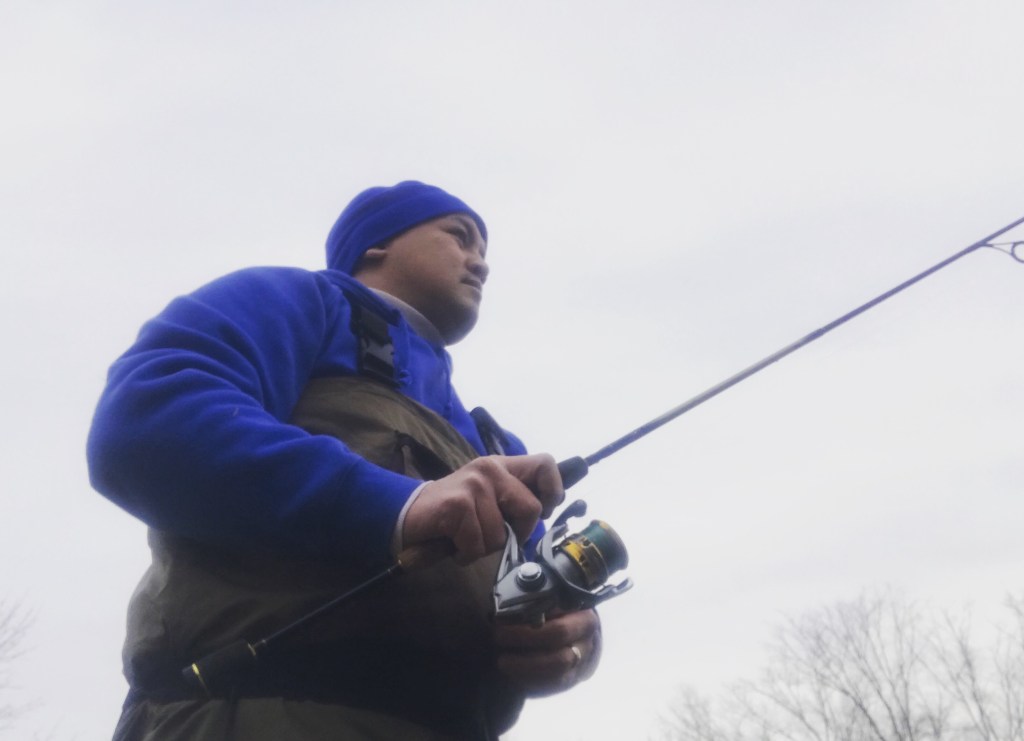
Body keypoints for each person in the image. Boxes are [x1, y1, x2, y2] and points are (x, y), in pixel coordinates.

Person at [87, 180, 603, 740]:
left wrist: (576, 642)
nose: (480, 263)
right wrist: (398, 504)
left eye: (484, 250)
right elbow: (145, 423)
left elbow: (541, 594)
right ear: (374, 244)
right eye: (459, 237)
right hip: (257, 714)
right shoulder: (296, 299)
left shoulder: (493, 441)